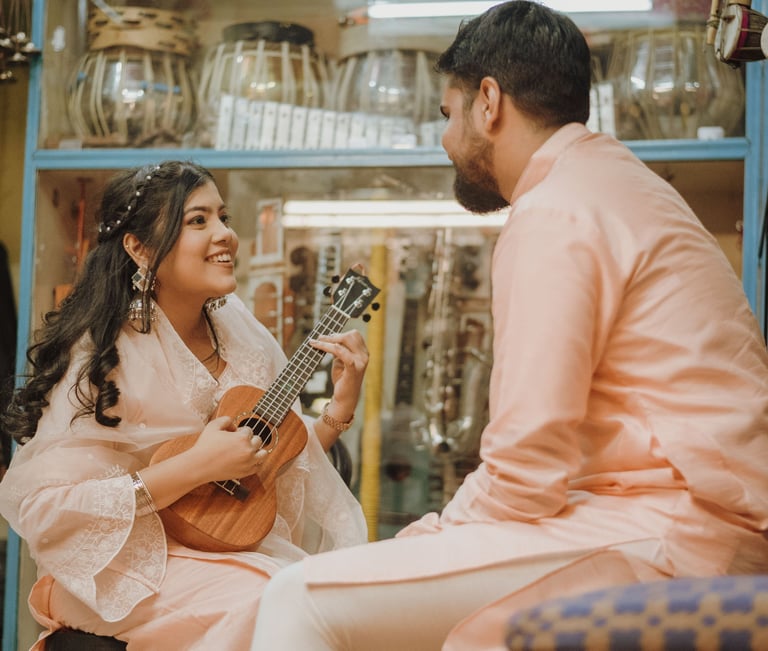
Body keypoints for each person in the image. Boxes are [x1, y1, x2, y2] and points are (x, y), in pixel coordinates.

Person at [251, 2, 768, 649]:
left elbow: (526, 471)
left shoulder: (556, 209)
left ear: (489, 102)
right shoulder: (617, 182)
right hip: (695, 517)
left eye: (448, 113)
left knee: (297, 596)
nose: (446, 139)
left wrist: (424, 538)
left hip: (679, 527)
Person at [0, 160, 369, 650]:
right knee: (278, 602)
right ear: (139, 248)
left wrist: (339, 408)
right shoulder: (102, 353)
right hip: (122, 568)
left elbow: (267, 466)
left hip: (225, 549)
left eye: (224, 217)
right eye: (198, 220)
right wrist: (194, 466)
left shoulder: (241, 334)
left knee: (332, 595)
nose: (224, 234)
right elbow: (48, 508)